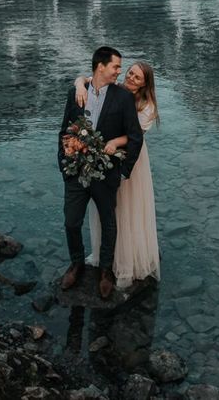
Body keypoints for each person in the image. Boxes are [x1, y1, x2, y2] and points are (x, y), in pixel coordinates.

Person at [58, 46, 143, 299]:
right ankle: (76, 264)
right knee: (71, 221)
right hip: (76, 172)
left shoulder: (123, 97)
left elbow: (135, 137)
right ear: (100, 67)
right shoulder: (76, 92)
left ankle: (106, 271)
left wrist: (124, 172)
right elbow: (64, 131)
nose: (120, 71)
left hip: (106, 175)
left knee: (108, 222)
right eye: (116, 66)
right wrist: (64, 166)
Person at [75, 60, 160, 289]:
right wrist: (79, 86)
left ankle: (126, 259)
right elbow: (85, 79)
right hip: (106, 153)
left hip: (130, 156)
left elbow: (135, 135)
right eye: (130, 73)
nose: (131, 78)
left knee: (126, 207)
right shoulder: (114, 90)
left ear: (144, 85)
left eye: (137, 78)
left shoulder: (147, 106)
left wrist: (113, 141)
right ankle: (105, 257)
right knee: (107, 206)